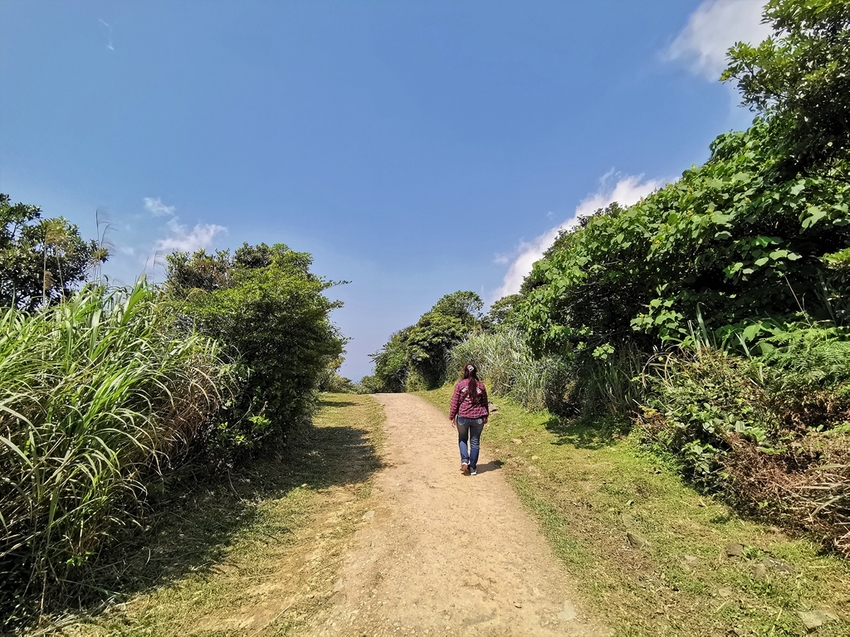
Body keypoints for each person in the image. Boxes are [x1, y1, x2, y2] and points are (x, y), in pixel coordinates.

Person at [448, 363, 489, 475]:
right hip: (478, 418)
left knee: (462, 439)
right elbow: (485, 402)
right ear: (475, 372)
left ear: (465, 372)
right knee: (475, 442)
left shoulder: (460, 385)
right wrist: (486, 416)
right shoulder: (481, 386)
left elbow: (455, 402)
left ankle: (465, 461)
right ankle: (473, 468)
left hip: (463, 417)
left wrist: (452, 416)